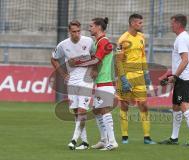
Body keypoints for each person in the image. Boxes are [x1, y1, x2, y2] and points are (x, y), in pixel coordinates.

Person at [68, 17, 118, 151]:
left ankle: (112, 141)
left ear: (98, 28)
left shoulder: (104, 42)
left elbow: (96, 60)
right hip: (99, 81)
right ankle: (103, 139)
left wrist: (77, 62)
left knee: (104, 110)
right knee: (96, 111)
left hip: (105, 81)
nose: (89, 28)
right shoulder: (99, 42)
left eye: (91, 26)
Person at [51, 20, 94, 150]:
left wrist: (95, 70)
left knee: (82, 110)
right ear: (69, 32)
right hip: (72, 81)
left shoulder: (88, 41)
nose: (76, 34)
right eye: (74, 32)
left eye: (78, 31)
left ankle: (74, 139)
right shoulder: (63, 45)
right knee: (76, 112)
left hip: (86, 80)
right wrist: (63, 75)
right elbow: (53, 59)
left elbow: (97, 56)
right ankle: (85, 142)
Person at [159, 14, 189, 146]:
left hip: (184, 78)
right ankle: (174, 138)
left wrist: (175, 76)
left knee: (183, 104)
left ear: (178, 24)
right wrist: (172, 76)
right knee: (176, 107)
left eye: (172, 23)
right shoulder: (183, 37)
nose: (170, 25)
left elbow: (185, 60)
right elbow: (182, 61)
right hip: (182, 78)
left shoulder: (182, 39)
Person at [116, 13, 156, 144]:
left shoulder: (141, 37)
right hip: (126, 77)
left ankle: (147, 137)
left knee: (144, 105)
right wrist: (123, 79)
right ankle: (125, 136)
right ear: (132, 23)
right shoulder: (123, 39)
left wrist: (146, 74)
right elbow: (118, 61)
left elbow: (143, 56)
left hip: (139, 77)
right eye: (139, 23)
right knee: (124, 106)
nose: (141, 25)